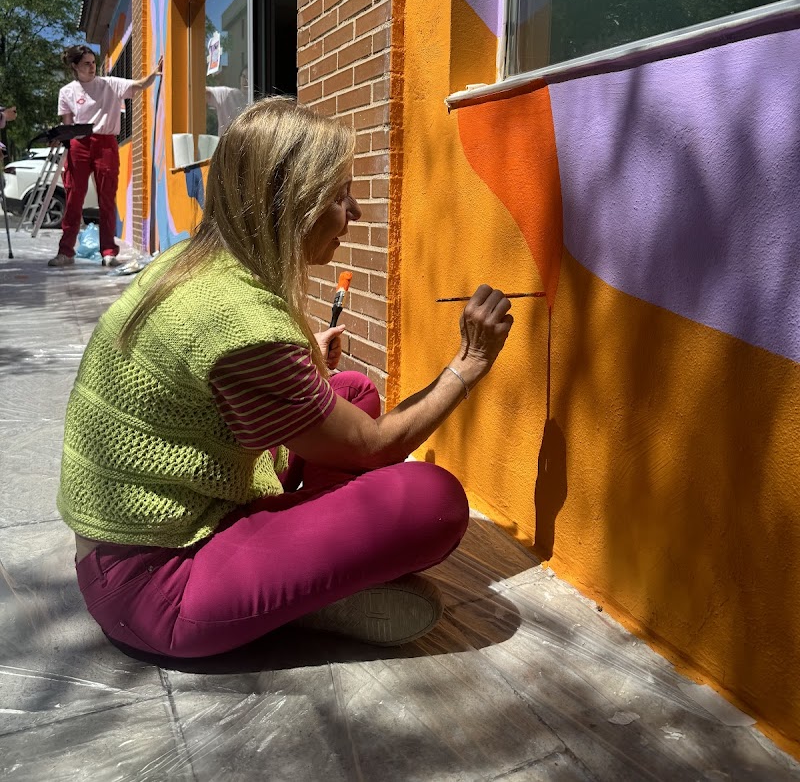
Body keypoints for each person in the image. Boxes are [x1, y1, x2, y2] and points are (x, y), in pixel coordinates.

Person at [56, 97, 514, 658]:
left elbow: (215, 372)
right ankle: (308, 589)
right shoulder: (238, 322)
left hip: (142, 540)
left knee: (353, 391)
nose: (355, 213)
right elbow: (373, 447)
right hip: (156, 583)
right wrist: (468, 364)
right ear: (294, 205)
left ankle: (309, 571)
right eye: (340, 196)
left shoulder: (190, 263)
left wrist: (299, 361)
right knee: (432, 500)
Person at [48, 46, 160, 269]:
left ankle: (108, 251)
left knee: (107, 198)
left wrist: (153, 75)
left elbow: (139, 85)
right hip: (78, 144)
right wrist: (58, 138)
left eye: (93, 62)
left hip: (106, 143)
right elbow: (67, 125)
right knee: (73, 199)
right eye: (86, 63)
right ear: (75, 66)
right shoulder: (67, 92)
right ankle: (65, 252)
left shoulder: (110, 84)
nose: (92, 67)